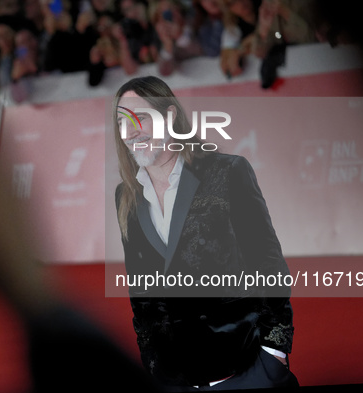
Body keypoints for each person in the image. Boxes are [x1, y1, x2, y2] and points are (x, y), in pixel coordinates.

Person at [113, 76, 298, 390]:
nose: (130, 132)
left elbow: (268, 265)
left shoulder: (227, 172)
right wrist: (151, 360)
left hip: (245, 369)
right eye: (121, 121)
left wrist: (274, 351)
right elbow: (140, 289)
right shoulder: (126, 195)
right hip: (174, 377)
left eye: (139, 118)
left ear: (170, 116)